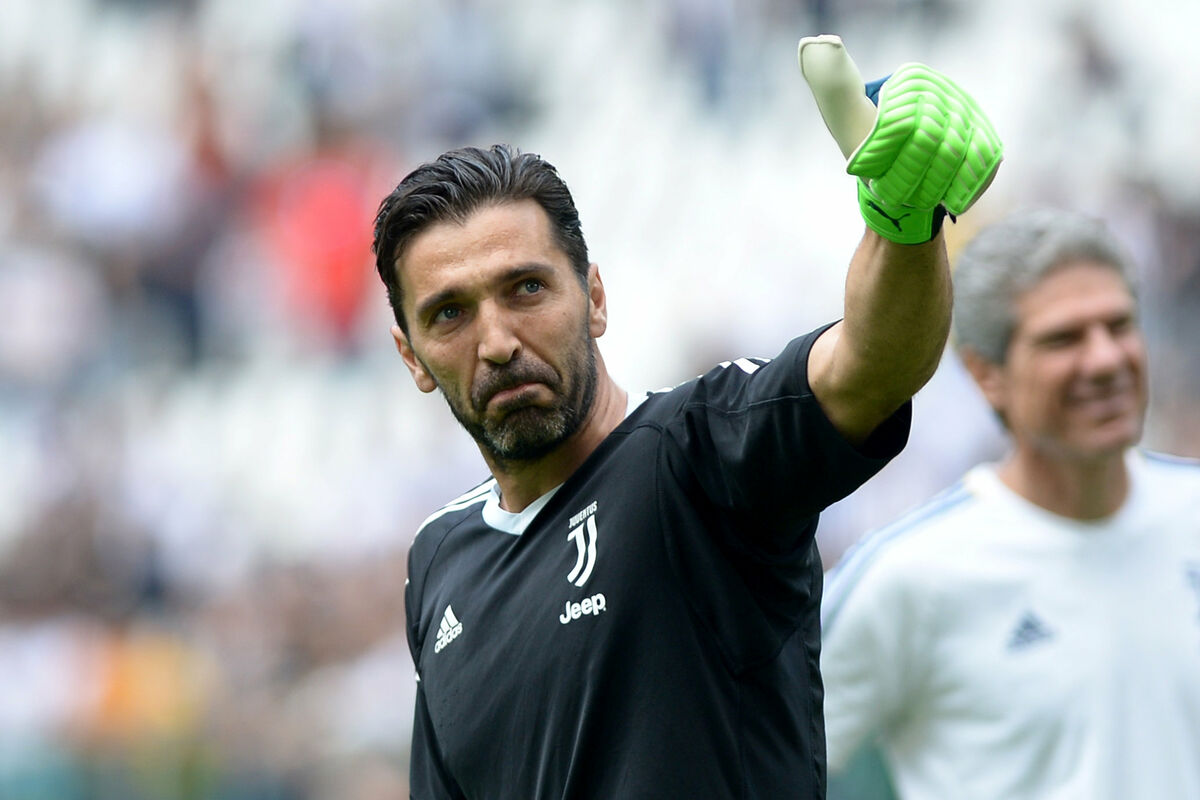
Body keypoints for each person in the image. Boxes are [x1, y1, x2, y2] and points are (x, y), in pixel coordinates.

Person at [371, 38, 1001, 799]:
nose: (498, 341)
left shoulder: (695, 452)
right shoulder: (440, 558)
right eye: (450, 313)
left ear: (594, 299)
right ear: (412, 357)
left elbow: (871, 366)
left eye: (526, 289)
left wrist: (902, 222)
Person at [821, 207, 1200, 800]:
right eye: (1063, 339)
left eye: (1120, 325)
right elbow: (761, 753)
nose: (1105, 359)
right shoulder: (909, 575)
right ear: (985, 374)